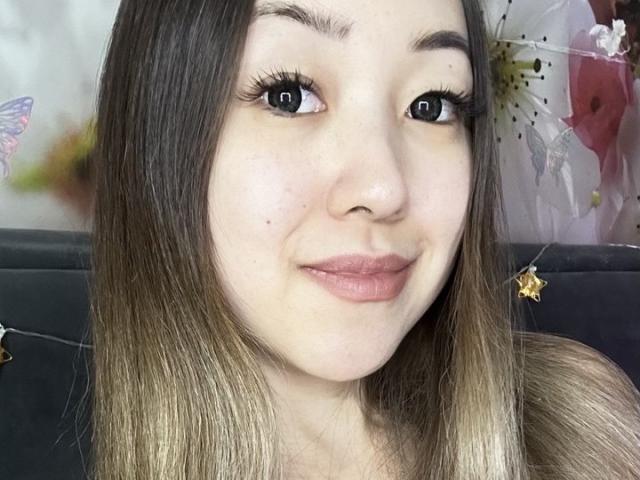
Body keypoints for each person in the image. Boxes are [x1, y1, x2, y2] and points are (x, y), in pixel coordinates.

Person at [89, 0, 640, 478]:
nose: (383, 189)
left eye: (432, 105)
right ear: (157, 133)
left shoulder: (572, 429)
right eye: (289, 95)